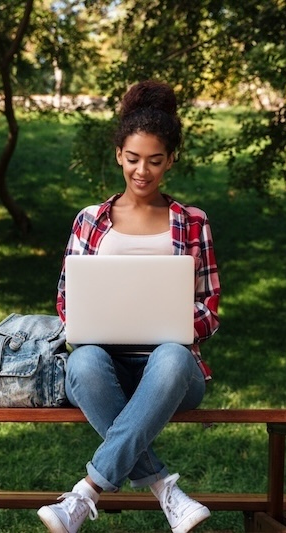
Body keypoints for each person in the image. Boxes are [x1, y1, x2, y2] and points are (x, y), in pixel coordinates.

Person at [38, 80, 221, 533]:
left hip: (174, 373)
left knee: (173, 354)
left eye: (155, 161)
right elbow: (66, 300)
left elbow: (210, 307)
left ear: (170, 160)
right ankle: (166, 491)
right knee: (81, 364)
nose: (143, 171)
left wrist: (175, 321)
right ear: (119, 153)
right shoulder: (90, 221)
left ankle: (86, 493)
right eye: (134, 158)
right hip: (108, 370)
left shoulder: (192, 222)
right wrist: (89, 320)